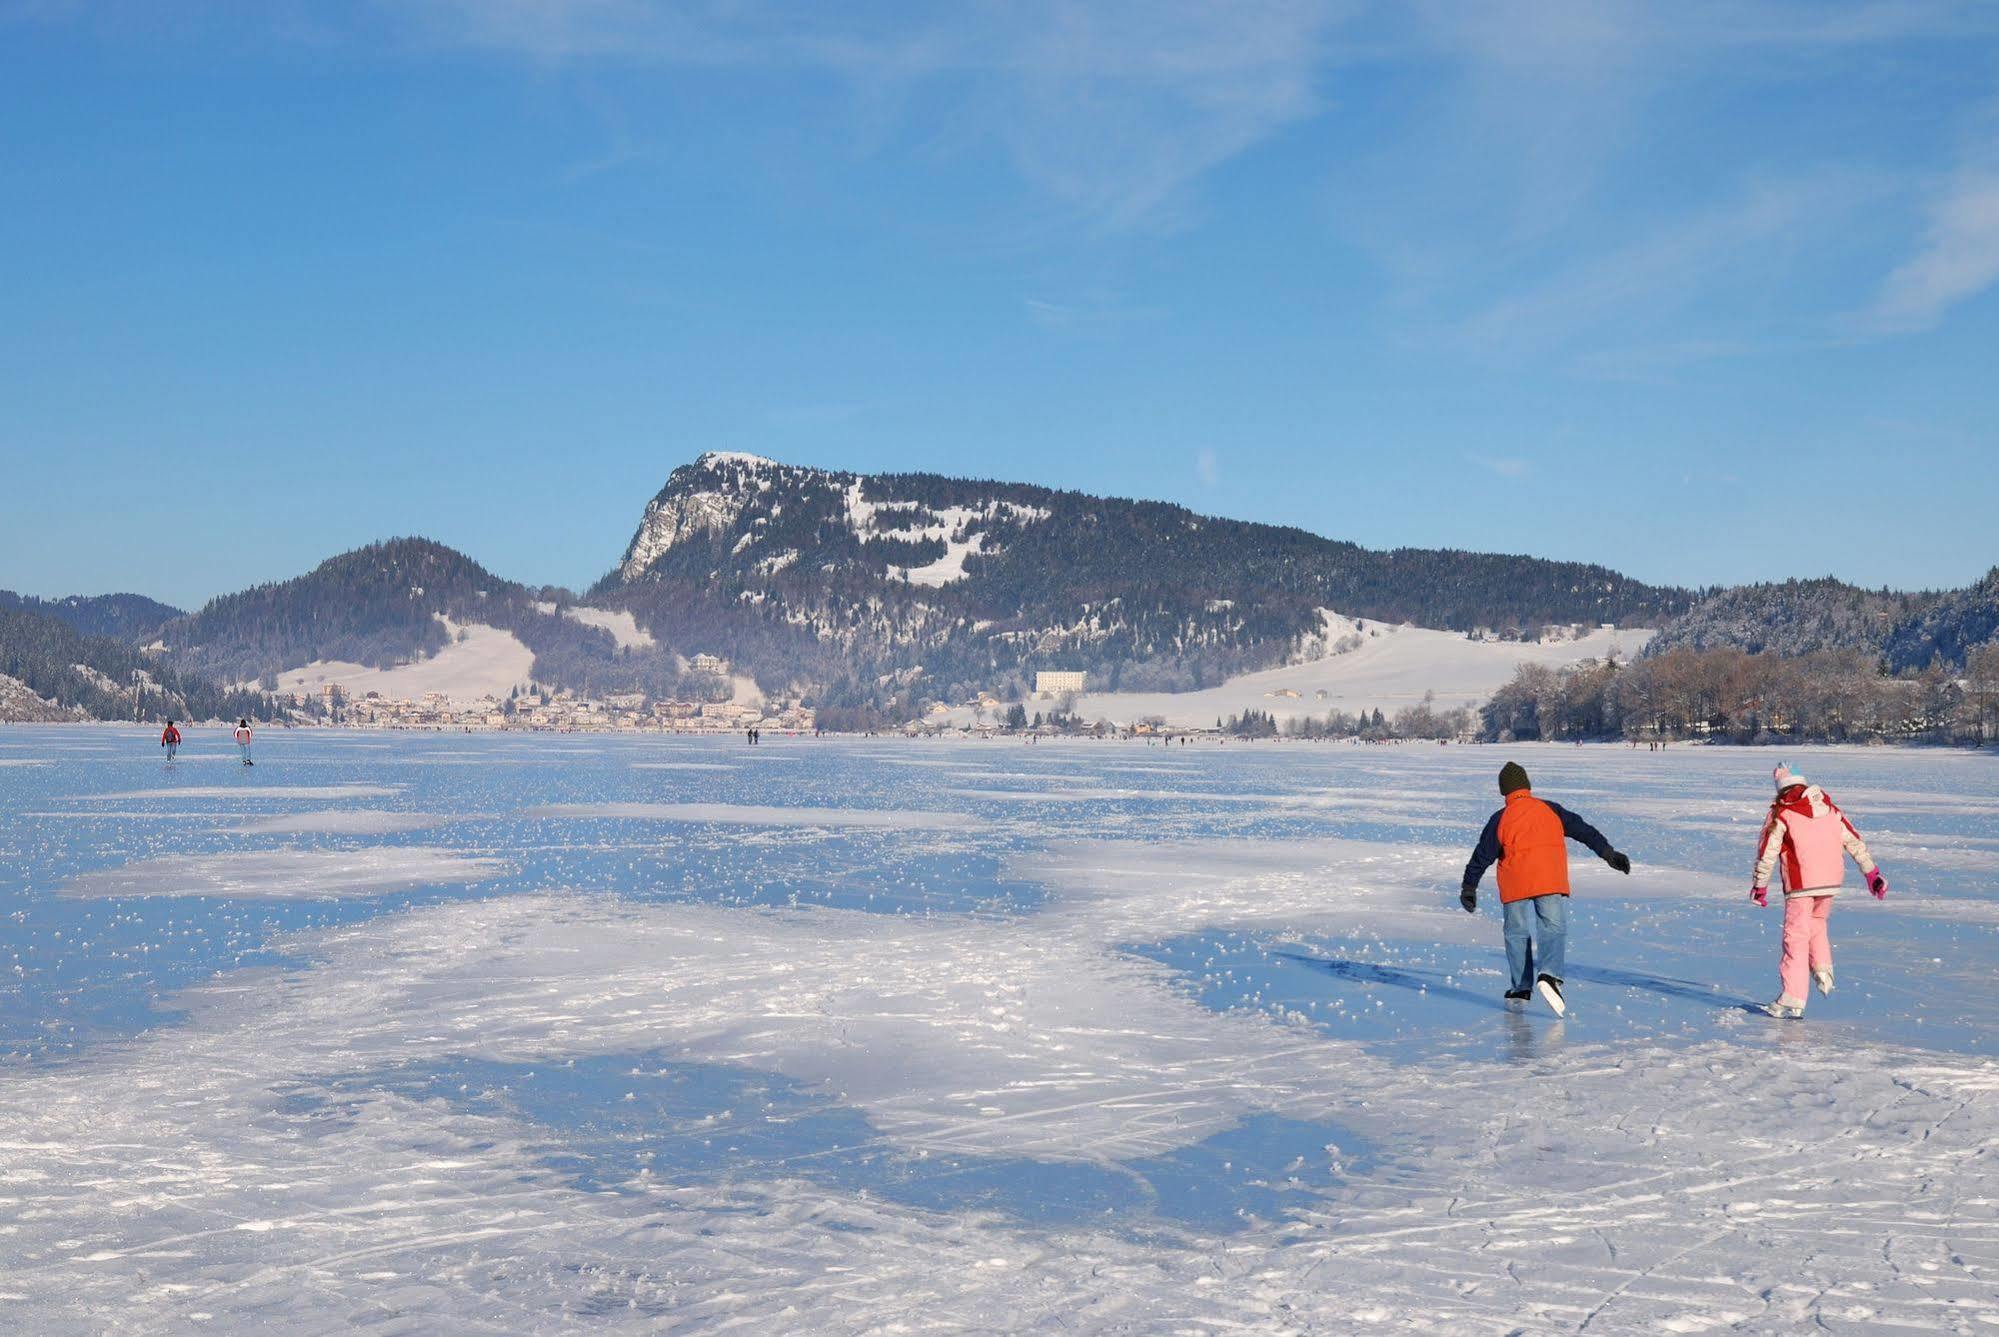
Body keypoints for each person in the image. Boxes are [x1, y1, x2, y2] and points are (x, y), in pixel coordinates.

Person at [1460, 761, 1631, 1015]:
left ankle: (1520, 988)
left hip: (1515, 881)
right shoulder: (1549, 808)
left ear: (1503, 791)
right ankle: (1549, 974)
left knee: (1516, 933)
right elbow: (1583, 830)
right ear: (1527, 785)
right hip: (1549, 878)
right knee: (1552, 927)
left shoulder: (1501, 818)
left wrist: (1469, 886)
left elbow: (1482, 854)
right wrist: (1607, 853)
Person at [1751, 763, 1886, 1019]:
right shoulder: (1829, 808)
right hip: (1831, 881)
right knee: (1817, 924)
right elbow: (1853, 841)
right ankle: (1824, 971)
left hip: (1801, 885)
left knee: (1796, 938)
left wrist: (1760, 886)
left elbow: (1768, 851)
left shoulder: (1782, 813)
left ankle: (1793, 995)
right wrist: (1872, 873)